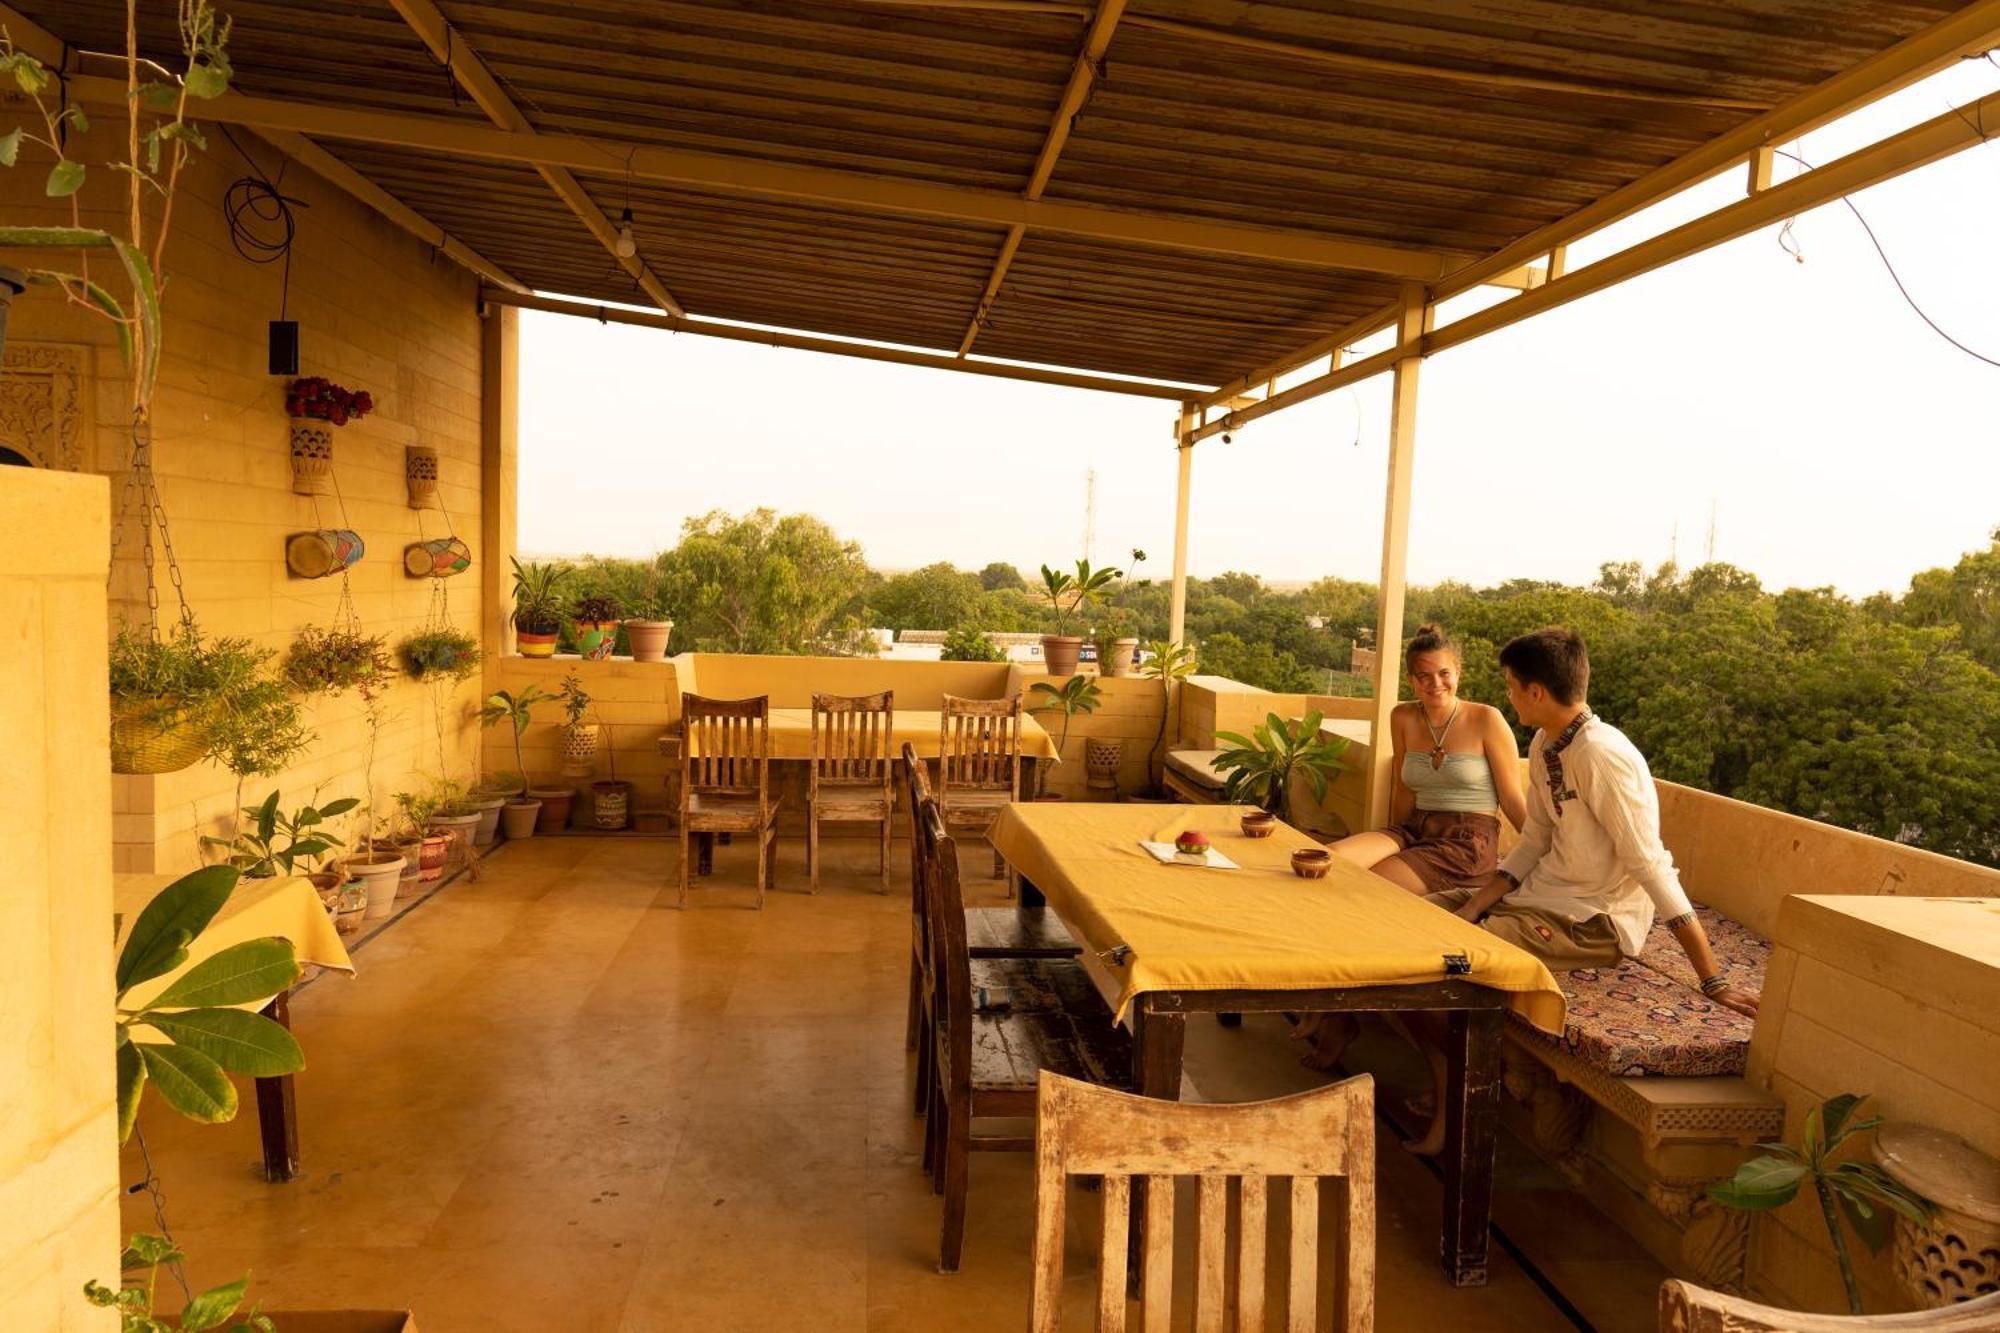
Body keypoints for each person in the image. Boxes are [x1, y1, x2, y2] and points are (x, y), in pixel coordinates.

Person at [1400, 625, 1759, 1155]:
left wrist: (1713, 980)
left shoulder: (1602, 756)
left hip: (1593, 922)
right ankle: (1460, 1079)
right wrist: (1474, 903)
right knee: (1404, 933)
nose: (1508, 694)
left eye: (1511, 685)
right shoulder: (1547, 741)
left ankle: (1468, 1099)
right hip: (1539, 898)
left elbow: (1650, 864)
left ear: (1536, 692)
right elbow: (1536, 839)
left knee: (1450, 962)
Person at [1299, 625, 1527, 1070]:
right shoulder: (1403, 717)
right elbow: (1403, 789)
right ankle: (1330, 1007)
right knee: (1326, 867)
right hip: (1415, 828)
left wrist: (1539, 857)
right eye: (1424, 676)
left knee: (1364, 896)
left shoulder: (1485, 720)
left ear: (1458, 672)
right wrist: (1387, 838)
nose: (1435, 684)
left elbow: (1514, 800)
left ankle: (1337, 1017)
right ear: (1410, 679)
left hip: (1466, 839)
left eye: (1444, 674)